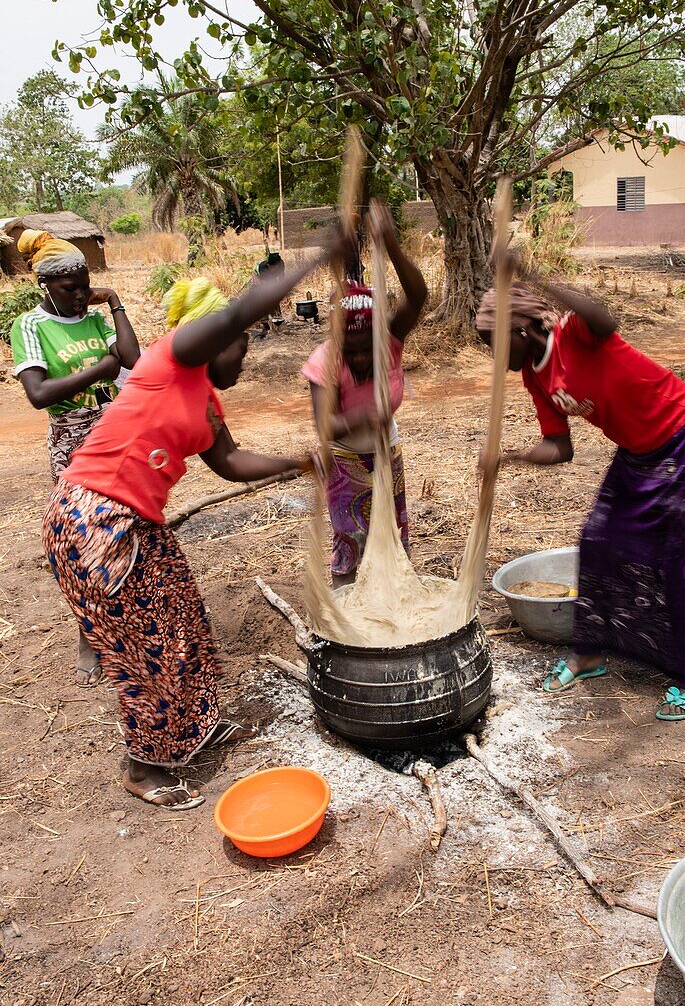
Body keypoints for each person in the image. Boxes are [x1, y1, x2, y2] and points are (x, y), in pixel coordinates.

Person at [42, 243, 341, 810]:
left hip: (135, 521)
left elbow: (229, 463)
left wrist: (296, 464)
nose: (246, 355)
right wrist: (321, 257)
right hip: (94, 518)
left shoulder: (205, 401)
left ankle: (193, 729)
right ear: (213, 339)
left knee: (184, 622)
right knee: (142, 645)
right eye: (243, 344)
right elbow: (233, 315)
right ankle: (144, 766)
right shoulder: (169, 360)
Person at [476, 258, 685, 722]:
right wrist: (510, 458)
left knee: (667, 563)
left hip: (680, 433)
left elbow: (605, 316)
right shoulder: (534, 376)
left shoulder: (574, 335)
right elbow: (559, 446)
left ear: (522, 329)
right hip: (637, 451)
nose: (493, 355)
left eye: (494, 342)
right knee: (597, 543)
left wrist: (529, 268)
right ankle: (589, 654)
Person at [11, 228, 141, 683]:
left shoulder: (93, 315)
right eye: (71, 289)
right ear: (45, 286)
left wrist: (116, 301)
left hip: (115, 434)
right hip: (72, 443)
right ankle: (88, 631)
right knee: (84, 541)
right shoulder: (30, 325)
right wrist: (102, 370)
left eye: (87, 285)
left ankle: (126, 623)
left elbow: (131, 357)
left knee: (125, 530)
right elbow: (39, 394)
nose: (82, 295)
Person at [302, 204, 428, 585]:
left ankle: (398, 611)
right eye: (349, 348)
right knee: (350, 544)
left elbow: (418, 295)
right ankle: (350, 622)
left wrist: (390, 243)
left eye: (365, 347)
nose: (358, 356)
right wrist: (362, 416)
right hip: (345, 461)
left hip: (388, 452)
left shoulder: (388, 342)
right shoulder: (324, 361)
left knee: (394, 539)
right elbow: (326, 427)